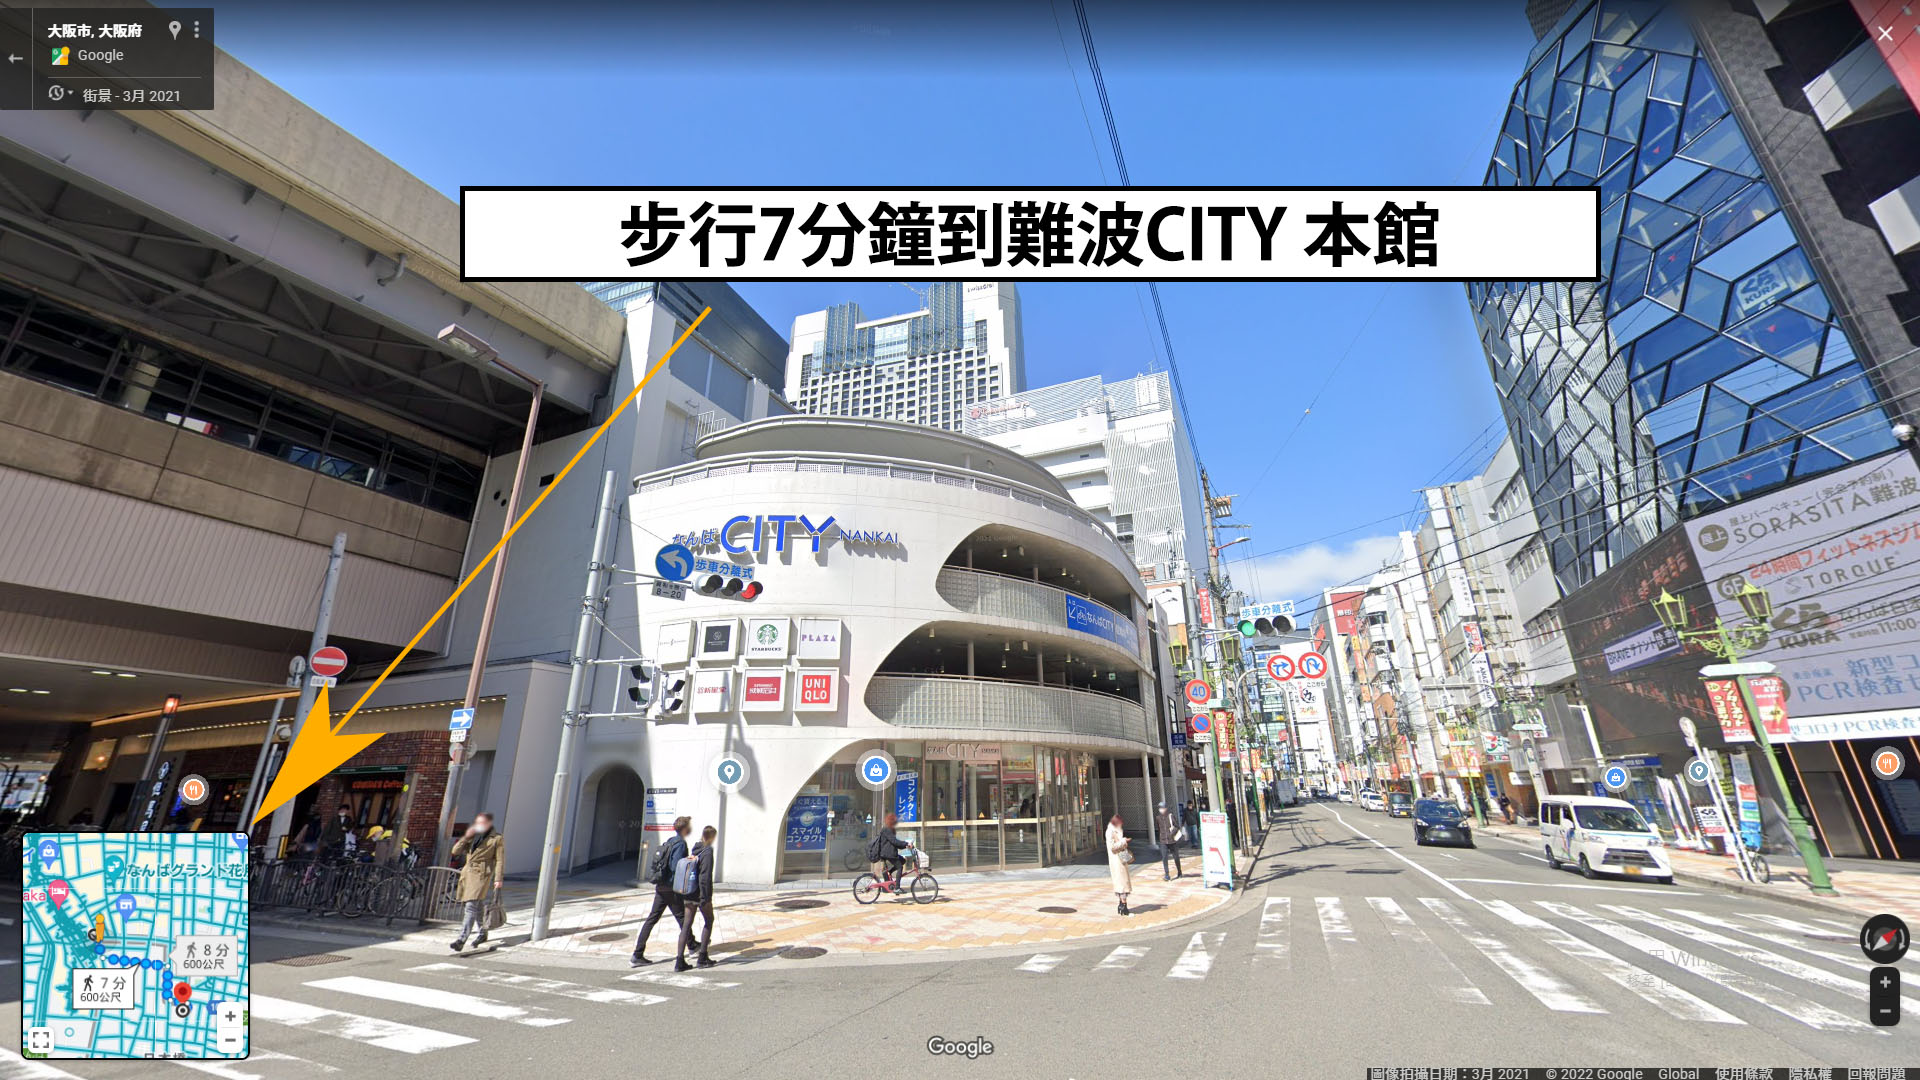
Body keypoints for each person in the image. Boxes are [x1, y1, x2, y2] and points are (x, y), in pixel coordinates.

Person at [631, 816, 692, 966]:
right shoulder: (680, 844)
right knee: (682, 917)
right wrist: (688, 862)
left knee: (652, 918)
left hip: (661, 886)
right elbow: (675, 866)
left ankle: (637, 954)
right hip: (670, 887)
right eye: (689, 826)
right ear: (685, 828)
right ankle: (691, 945)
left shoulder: (670, 841)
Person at [447, 812, 503, 951]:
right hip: (467, 874)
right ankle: (483, 932)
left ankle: (461, 939)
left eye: (482, 822)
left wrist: (498, 879)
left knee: (470, 906)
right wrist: (466, 837)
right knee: (478, 906)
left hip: (481, 875)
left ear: (489, 824)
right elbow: (455, 851)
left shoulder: (496, 839)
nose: (479, 825)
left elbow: (500, 860)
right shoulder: (472, 837)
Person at [674, 826, 718, 972]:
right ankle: (703, 958)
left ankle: (679, 961)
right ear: (712, 837)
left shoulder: (696, 849)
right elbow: (705, 876)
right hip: (700, 893)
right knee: (709, 920)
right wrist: (705, 897)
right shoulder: (707, 851)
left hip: (689, 892)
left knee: (686, 926)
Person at [868, 812, 911, 885]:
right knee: (900, 867)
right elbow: (894, 841)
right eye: (894, 821)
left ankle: (889, 872)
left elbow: (895, 843)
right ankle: (897, 888)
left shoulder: (890, 829)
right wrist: (906, 843)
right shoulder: (886, 829)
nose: (896, 822)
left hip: (889, 853)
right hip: (888, 853)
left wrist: (905, 846)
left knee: (902, 860)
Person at [1106, 813, 1132, 916]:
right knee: (1122, 884)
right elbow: (1113, 847)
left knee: (1122, 883)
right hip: (1117, 861)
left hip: (1120, 860)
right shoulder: (1111, 832)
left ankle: (1121, 905)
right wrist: (1123, 841)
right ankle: (1124, 907)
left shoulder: (1116, 830)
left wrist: (1123, 841)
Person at [1155, 801, 1182, 880]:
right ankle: (1167, 874)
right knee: (1164, 857)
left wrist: (1171, 834)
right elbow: (1159, 828)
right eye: (1160, 808)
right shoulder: (1158, 818)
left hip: (1172, 840)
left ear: (1166, 808)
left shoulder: (1171, 816)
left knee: (1176, 857)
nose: (1161, 810)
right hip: (1163, 841)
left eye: (1162, 808)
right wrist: (1161, 836)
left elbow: (1177, 826)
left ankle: (1179, 871)